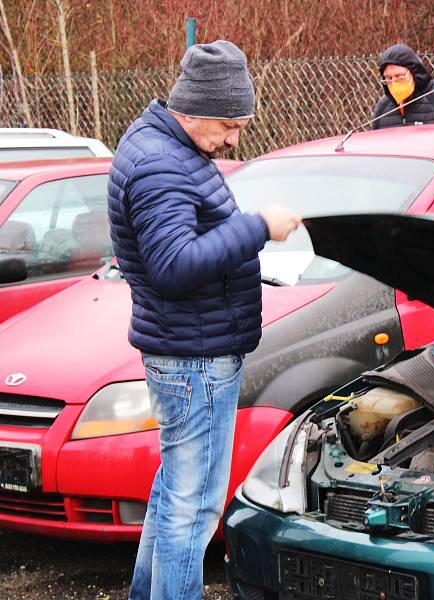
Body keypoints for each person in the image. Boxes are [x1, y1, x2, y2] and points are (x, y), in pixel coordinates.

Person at [106, 40, 301, 600]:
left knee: (175, 492)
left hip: (187, 347)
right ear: (194, 109)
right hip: (194, 360)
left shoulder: (162, 147)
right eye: (229, 125)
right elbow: (174, 266)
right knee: (193, 508)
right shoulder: (163, 165)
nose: (234, 140)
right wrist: (259, 226)